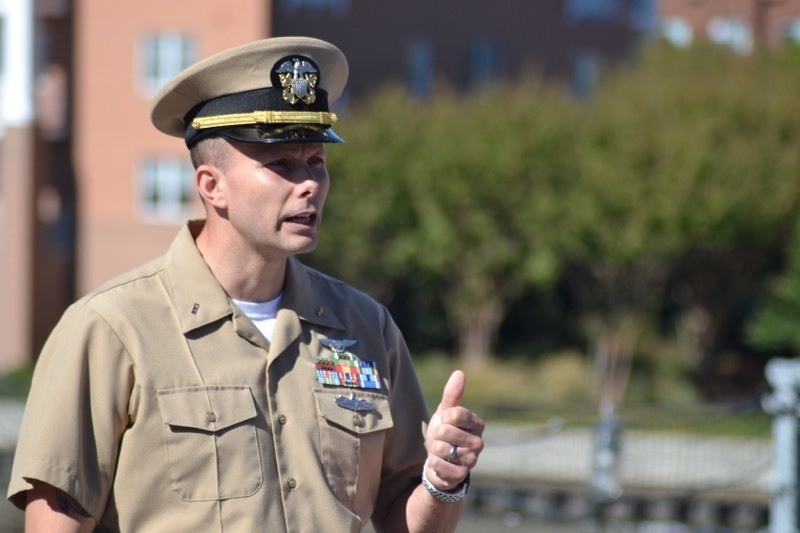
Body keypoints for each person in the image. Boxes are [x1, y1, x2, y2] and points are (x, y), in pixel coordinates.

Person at [7, 36, 485, 532]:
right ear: (212, 186)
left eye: (316, 163)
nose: (309, 185)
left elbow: (400, 518)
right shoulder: (111, 329)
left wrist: (441, 481)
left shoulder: (366, 327)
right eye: (281, 165)